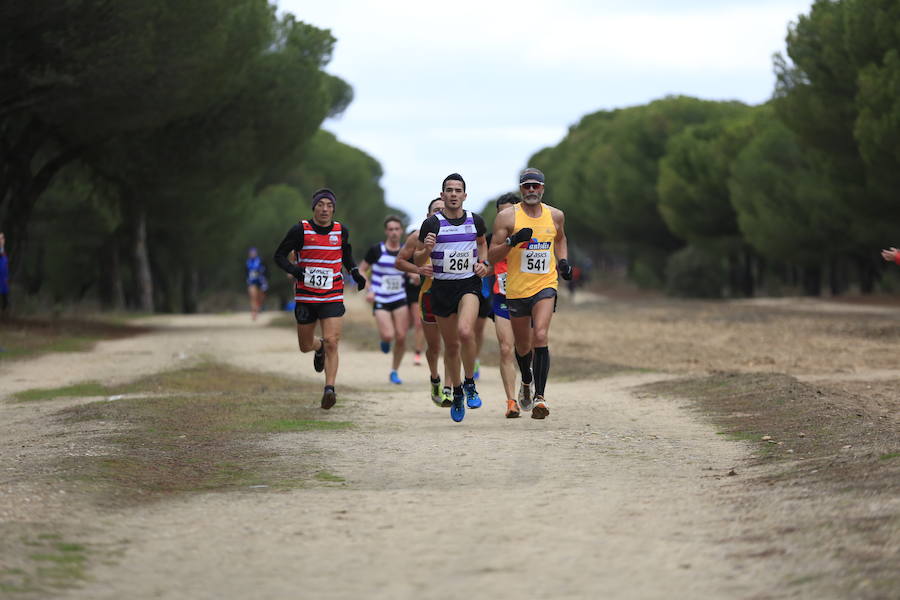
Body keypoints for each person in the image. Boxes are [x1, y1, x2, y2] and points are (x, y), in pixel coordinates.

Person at [488, 168, 571, 420]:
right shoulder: (506, 218)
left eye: (536, 186)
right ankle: (526, 381)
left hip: (545, 284)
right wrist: (512, 242)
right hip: (516, 289)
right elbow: (491, 256)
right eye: (527, 186)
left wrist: (563, 261)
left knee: (541, 335)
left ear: (543, 188)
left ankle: (540, 398)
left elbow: (560, 239)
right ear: (521, 189)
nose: (532, 190)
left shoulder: (555, 215)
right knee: (523, 346)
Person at [273, 188, 366, 410]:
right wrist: (296, 271)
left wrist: (354, 272)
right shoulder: (300, 230)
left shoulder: (340, 230)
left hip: (332, 294)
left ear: (334, 209)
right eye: (321, 204)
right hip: (306, 296)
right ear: (314, 207)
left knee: (333, 340)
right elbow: (278, 256)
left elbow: (346, 253)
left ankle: (329, 389)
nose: (325, 209)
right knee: (305, 345)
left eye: (329, 205)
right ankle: (318, 348)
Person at [413, 174, 488, 422]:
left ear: (465, 195)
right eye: (449, 190)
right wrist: (427, 250)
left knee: (466, 332)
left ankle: (469, 383)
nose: (453, 194)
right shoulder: (431, 224)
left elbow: (482, 243)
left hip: (468, 284)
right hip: (442, 288)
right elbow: (418, 261)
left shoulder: (475, 220)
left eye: (458, 190)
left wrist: (483, 262)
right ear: (442, 195)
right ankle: (456, 392)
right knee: (452, 345)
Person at [396, 197, 452, 407]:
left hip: (452, 294)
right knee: (434, 346)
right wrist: (418, 269)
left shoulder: (458, 233)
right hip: (428, 295)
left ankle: (448, 389)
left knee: (452, 343)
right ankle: (435, 378)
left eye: (442, 209)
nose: (439, 213)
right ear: (428, 215)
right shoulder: (417, 236)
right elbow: (399, 261)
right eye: (435, 210)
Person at [358, 215, 410, 384]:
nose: (394, 232)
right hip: (380, 297)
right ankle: (385, 340)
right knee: (389, 335)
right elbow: (361, 270)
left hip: (400, 297)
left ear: (401, 231)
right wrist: (369, 289)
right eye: (391, 229)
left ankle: (394, 371)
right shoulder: (376, 250)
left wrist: (415, 276)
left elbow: (412, 270)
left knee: (401, 337)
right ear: (386, 232)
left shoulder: (406, 251)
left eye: (397, 229)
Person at [487, 193, 525, 418]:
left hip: (528, 296)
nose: (506, 215)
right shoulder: (495, 239)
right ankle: (511, 401)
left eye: (510, 210)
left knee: (525, 349)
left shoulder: (531, 234)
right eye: (502, 211)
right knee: (505, 348)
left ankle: (527, 385)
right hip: (502, 298)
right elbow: (488, 263)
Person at [245, 246, 268, 320]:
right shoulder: (247, 262)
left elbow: (266, 271)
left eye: (253, 253)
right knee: (253, 296)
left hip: (261, 281)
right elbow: (246, 272)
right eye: (251, 253)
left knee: (261, 297)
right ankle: (254, 313)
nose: (252, 254)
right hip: (252, 281)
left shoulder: (261, 261)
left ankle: (258, 308)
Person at [0, 232, 8, 316]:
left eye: (2, 238)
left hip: (3, 275)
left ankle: (4, 309)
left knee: (4, 291)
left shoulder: (4, 256)